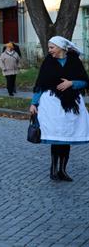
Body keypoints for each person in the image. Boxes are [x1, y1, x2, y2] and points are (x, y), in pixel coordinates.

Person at [29, 36, 89, 182]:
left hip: (71, 105)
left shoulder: (74, 61)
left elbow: (85, 81)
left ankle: (63, 170)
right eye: (49, 48)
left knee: (66, 137)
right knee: (57, 137)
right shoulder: (48, 62)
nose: (49, 51)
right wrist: (33, 103)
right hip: (52, 104)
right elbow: (40, 84)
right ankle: (53, 169)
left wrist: (71, 83)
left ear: (61, 47)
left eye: (52, 47)